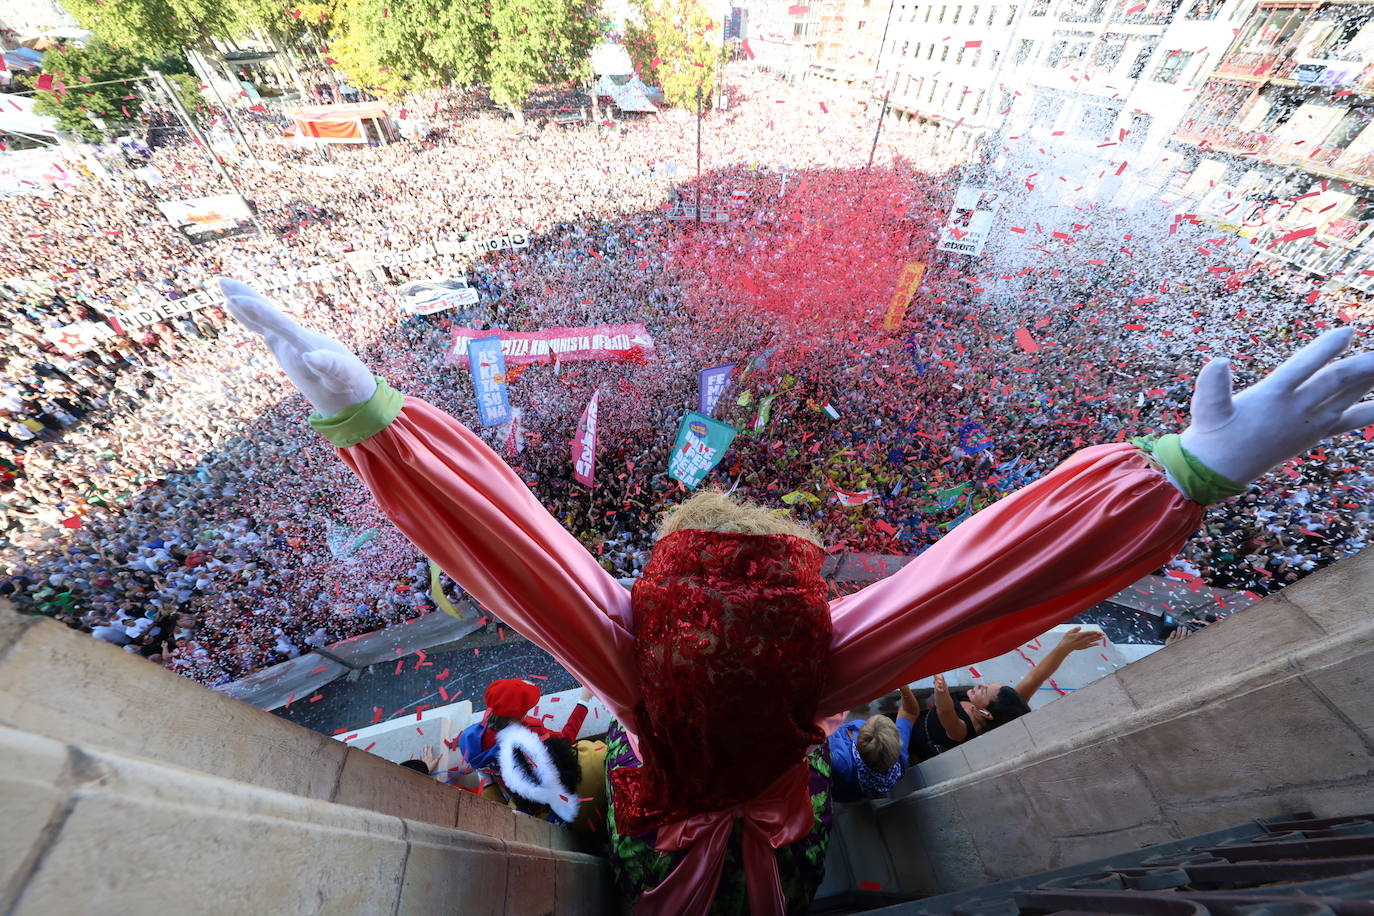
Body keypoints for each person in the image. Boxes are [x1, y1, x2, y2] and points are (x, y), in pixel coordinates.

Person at [222, 278, 1374, 915]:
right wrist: (1190, 471)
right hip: (791, 845)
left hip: (654, 845)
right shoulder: (819, 657)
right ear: (801, 587)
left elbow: (515, 560)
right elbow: (977, 582)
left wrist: (374, 420)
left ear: (656, 591)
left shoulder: (633, 650)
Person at [909, 626, 1103, 763]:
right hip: (912, 718)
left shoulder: (964, 730)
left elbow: (945, 712)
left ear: (986, 713)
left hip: (910, 742)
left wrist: (941, 690)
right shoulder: (1006, 707)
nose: (979, 685)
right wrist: (1064, 648)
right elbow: (1035, 677)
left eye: (983, 691)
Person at [456, 678, 590, 803]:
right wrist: (584, 701)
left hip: (508, 788)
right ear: (521, 716)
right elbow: (565, 740)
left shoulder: (468, 738)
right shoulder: (531, 730)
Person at [828, 684, 920, 802]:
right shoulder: (898, 760)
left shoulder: (838, 761)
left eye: (865, 724)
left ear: (858, 738)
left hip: (835, 790)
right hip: (853, 793)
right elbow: (910, 712)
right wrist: (903, 686)